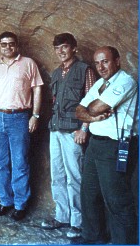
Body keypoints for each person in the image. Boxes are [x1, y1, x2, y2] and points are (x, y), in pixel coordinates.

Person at [73, 46, 138, 244]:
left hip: (116, 145)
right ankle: (93, 237)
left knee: (116, 199)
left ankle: (124, 242)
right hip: (95, 144)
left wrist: (92, 110)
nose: (101, 66)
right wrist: (92, 113)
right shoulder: (101, 83)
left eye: (105, 61)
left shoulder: (126, 81)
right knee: (90, 193)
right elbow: (79, 110)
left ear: (117, 61)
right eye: (97, 62)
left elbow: (94, 107)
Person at [0, 31, 43, 221]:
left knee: (20, 162)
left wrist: (35, 115)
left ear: (17, 45)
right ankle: (5, 201)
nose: (8, 47)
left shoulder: (28, 64)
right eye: (4, 44)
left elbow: (37, 88)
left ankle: (20, 204)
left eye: (11, 44)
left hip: (19, 118)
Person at [40, 33, 97, 238]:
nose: (60, 51)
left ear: (74, 48)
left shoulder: (85, 70)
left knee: (75, 176)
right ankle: (62, 216)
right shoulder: (56, 73)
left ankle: (78, 222)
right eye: (57, 48)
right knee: (57, 175)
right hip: (55, 129)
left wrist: (84, 129)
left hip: (74, 131)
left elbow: (92, 102)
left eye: (64, 47)